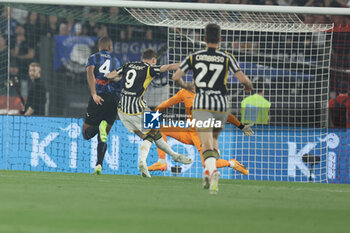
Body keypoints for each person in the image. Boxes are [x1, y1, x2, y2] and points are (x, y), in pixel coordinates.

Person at [172, 23, 253, 195]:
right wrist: (248, 87)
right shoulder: (227, 57)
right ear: (220, 40)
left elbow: (175, 76)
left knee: (206, 144)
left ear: (204, 39)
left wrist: (185, 85)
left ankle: (212, 171)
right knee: (214, 141)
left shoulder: (195, 56)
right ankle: (209, 172)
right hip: (221, 104)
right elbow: (244, 80)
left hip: (202, 103)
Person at [107, 48, 192, 178]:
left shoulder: (128, 65)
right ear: (153, 60)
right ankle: (143, 162)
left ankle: (174, 156)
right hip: (136, 108)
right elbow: (168, 67)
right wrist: (187, 64)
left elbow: (111, 75)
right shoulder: (149, 68)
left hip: (122, 110)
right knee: (152, 133)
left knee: (152, 134)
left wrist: (113, 79)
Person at [148, 87, 254, 175]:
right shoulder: (185, 92)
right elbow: (166, 104)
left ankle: (232, 163)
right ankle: (161, 162)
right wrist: (150, 116)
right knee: (161, 129)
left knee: (206, 164)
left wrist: (241, 126)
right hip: (191, 133)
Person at [82, 36, 122, 175]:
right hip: (113, 100)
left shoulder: (93, 58)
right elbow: (119, 81)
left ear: (99, 47)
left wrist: (94, 94)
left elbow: (90, 73)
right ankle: (99, 164)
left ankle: (99, 128)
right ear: (110, 47)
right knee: (103, 136)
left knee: (86, 134)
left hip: (98, 97)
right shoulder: (116, 61)